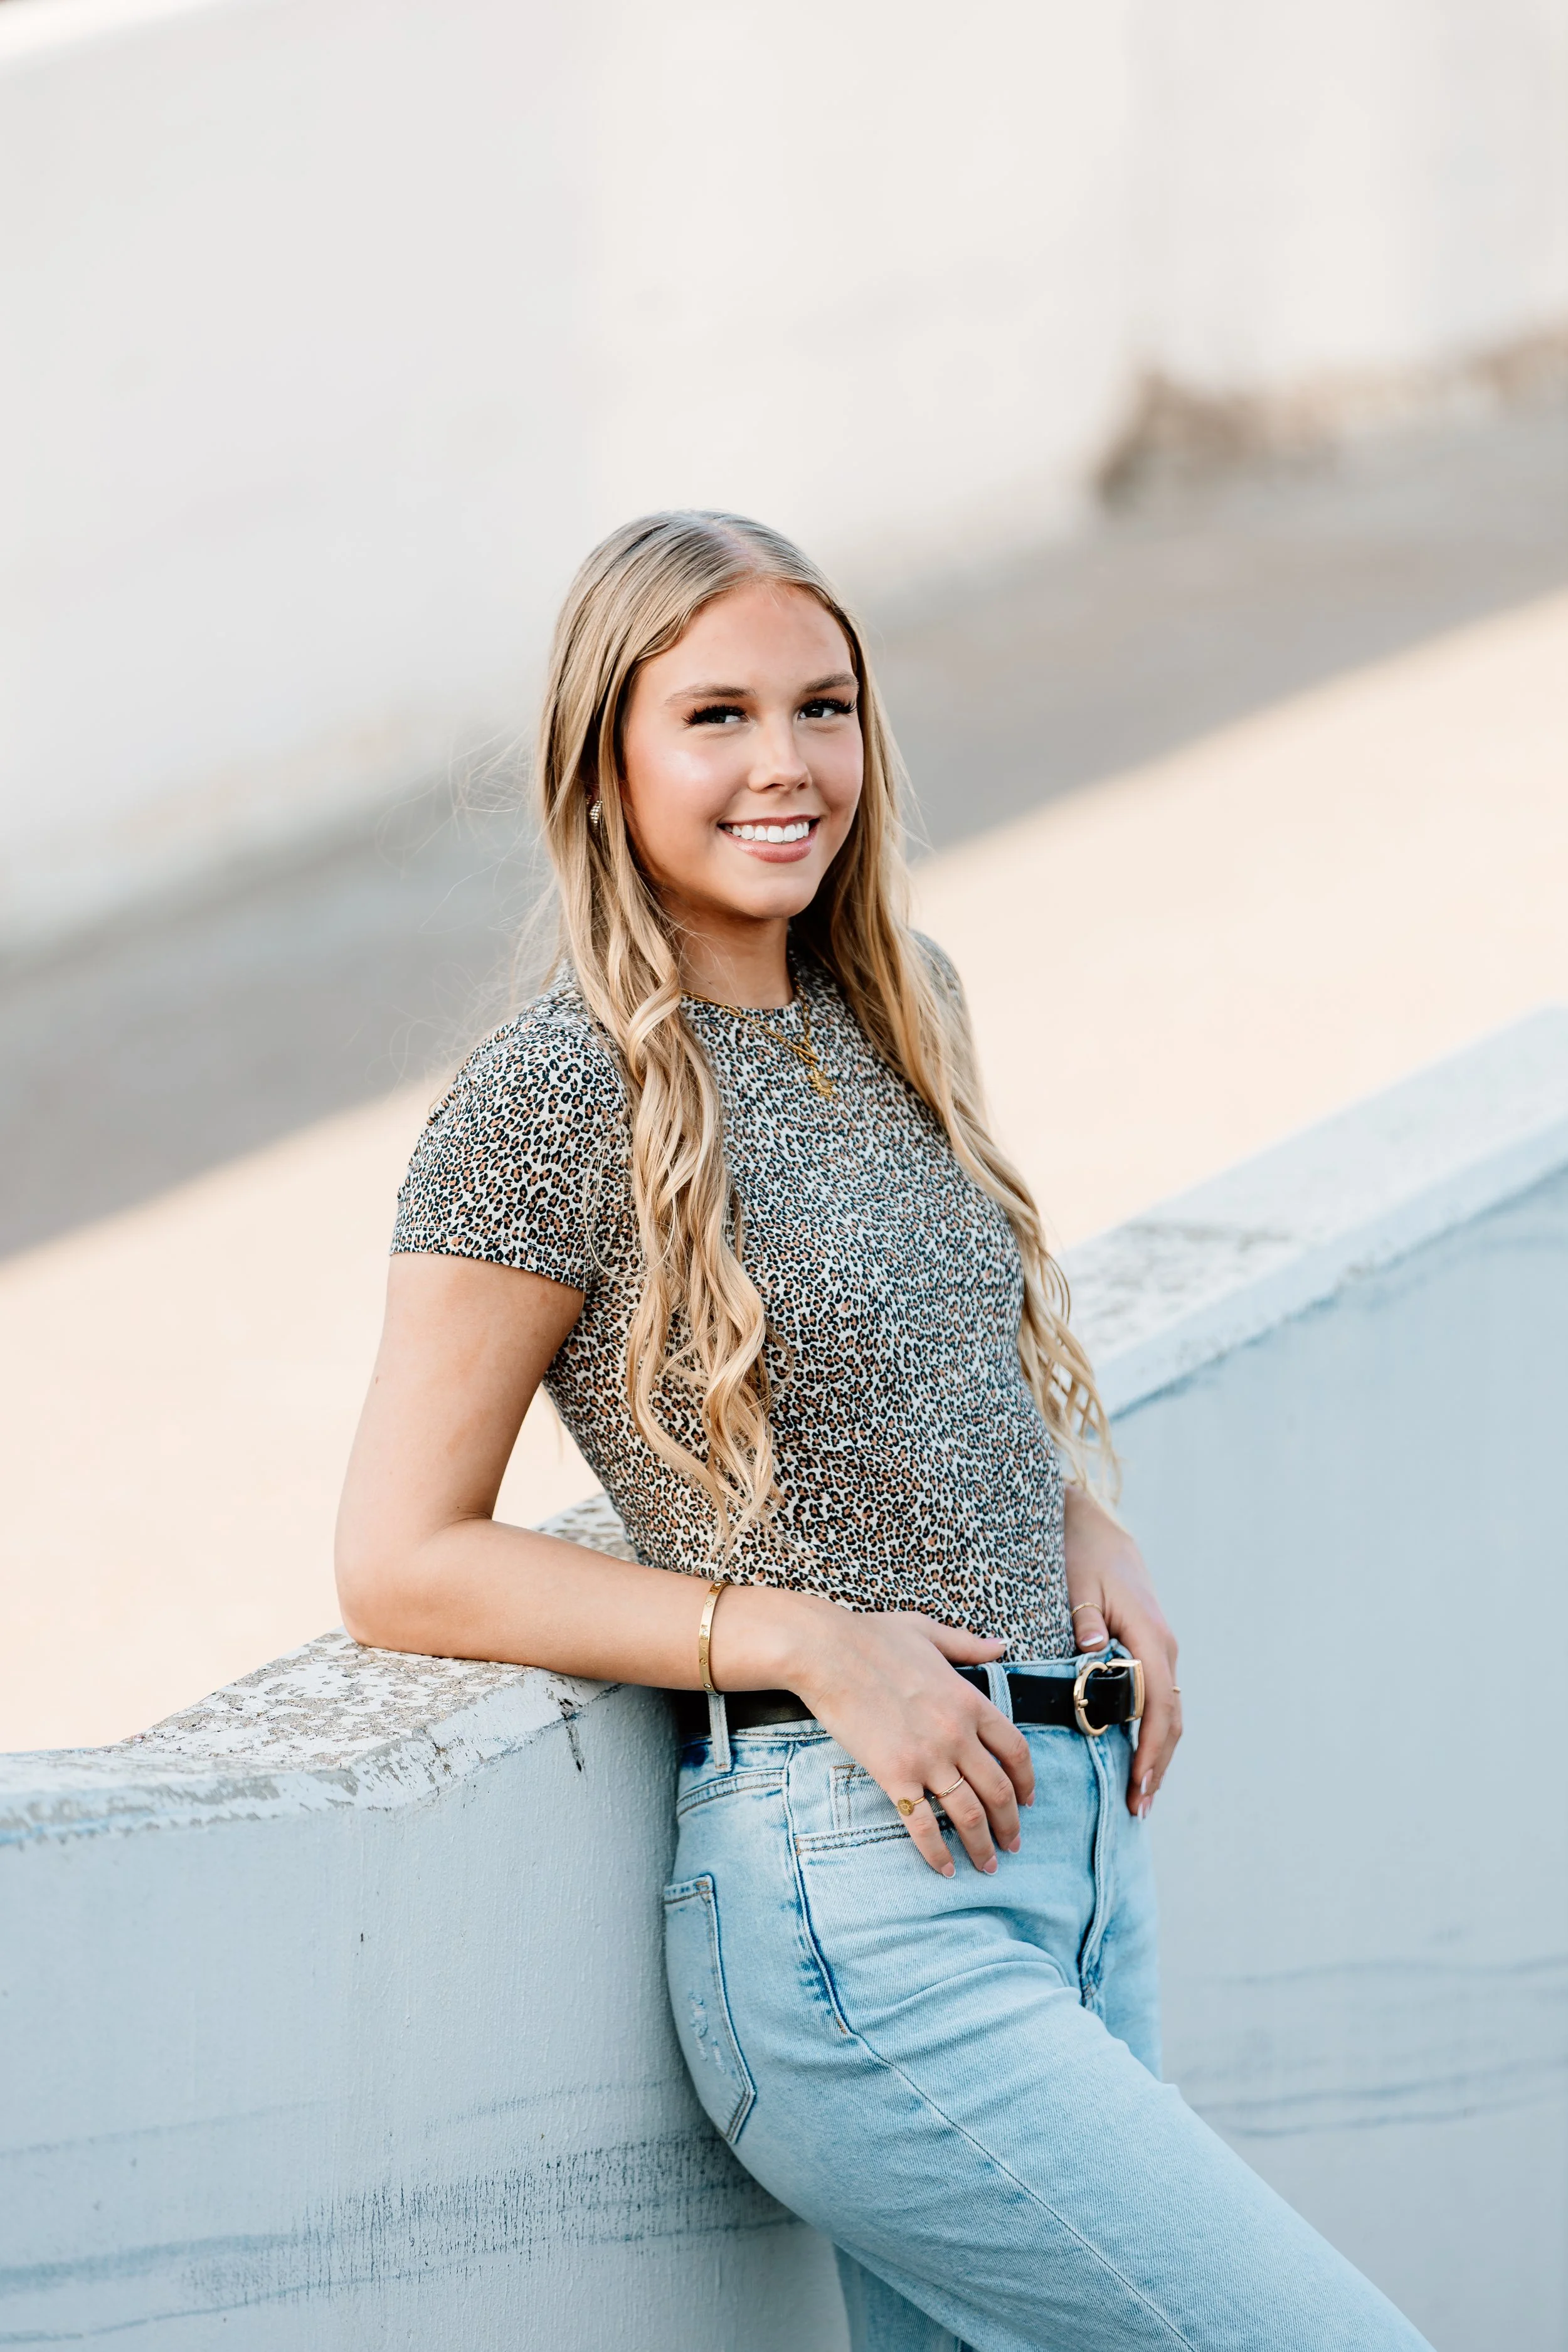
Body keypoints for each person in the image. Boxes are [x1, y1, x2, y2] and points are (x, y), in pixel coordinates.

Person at [336, 511, 1431, 2351]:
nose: (786, 765)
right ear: (602, 762)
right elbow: (395, 1554)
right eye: (716, 716)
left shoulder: (899, 1000)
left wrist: (1069, 1501)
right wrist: (794, 1632)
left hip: (1074, 1862)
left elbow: (922, 1350)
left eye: (823, 706)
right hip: (862, 1912)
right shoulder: (552, 1094)